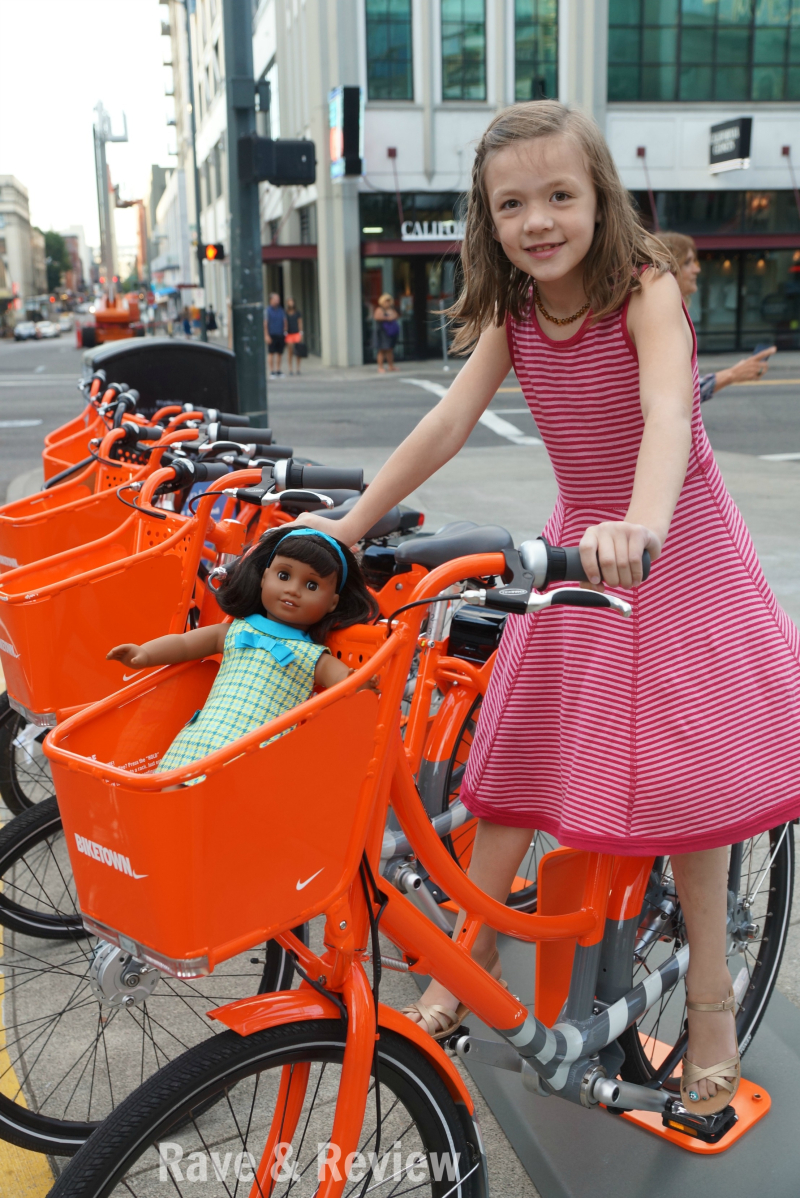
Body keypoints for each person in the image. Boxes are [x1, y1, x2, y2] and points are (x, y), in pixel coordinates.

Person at [293, 100, 800, 1116]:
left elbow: (665, 413)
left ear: (596, 196)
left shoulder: (641, 287)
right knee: (509, 765)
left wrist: (640, 527)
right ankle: (460, 971)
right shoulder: (517, 313)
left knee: (687, 789)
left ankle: (708, 1009)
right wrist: (343, 529)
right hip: (579, 543)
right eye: (512, 202)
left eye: (558, 196)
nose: (538, 220)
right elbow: (445, 421)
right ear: (487, 218)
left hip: (672, 541)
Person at [107, 529, 378, 783]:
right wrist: (143, 654)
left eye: (311, 585)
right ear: (264, 577)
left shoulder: (312, 655)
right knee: (170, 793)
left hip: (257, 758)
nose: (293, 590)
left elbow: (345, 681)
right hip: (202, 739)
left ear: (333, 602)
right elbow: (184, 643)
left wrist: (362, 683)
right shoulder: (236, 630)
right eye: (284, 576)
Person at [658, 231, 776, 402]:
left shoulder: (673, 313)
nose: (697, 269)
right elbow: (676, 397)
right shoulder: (662, 321)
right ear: (669, 269)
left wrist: (734, 374)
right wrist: (732, 374)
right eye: (688, 262)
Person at [374, 293, 400, 372]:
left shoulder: (391, 309)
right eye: (386, 301)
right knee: (382, 349)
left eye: (388, 301)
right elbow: (377, 317)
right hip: (382, 332)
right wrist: (388, 318)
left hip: (390, 332)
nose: (387, 303)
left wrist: (391, 317)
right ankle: (380, 367)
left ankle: (390, 366)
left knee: (389, 349)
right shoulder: (379, 309)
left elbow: (396, 316)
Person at [265, 293, 288, 378]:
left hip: (280, 334)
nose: (277, 300)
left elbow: (285, 321)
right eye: (276, 299)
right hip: (271, 334)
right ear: (271, 300)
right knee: (271, 353)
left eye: (278, 299)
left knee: (279, 353)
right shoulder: (267, 310)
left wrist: (285, 332)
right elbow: (265, 323)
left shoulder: (281, 310)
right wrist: (266, 335)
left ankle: (278, 370)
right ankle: (272, 371)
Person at [285, 298, 304, 375]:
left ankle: (298, 368)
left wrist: (301, 332)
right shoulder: (285, 312)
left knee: (298, 351)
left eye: (292, 301)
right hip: (289, 334)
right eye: (289, 302)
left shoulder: (297, 312)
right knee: (290, 351)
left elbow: (300, 322)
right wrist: (285, 332)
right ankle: (290, 369)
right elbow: (284, 322)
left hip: (296, 333)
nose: (291, 303)